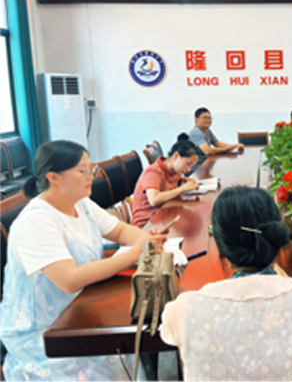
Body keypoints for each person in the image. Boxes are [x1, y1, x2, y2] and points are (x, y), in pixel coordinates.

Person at [0, 140, 167, 381]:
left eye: (91, 169)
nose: (91, 176)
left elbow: (120, 231)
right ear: (53, 177)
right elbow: (70, 280)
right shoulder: (37, 221)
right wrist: (133, 254)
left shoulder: (81, 203)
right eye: (82, 171)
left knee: (123, 346)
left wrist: (144, 240)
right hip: (45, 330)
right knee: (115, 354)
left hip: (82, 307)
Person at [160, 186, 292, 381]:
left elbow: (166, 330)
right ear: (275, 238)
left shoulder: (184, 309)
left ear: (221, 246)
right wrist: (286, 280)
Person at [131, 134, 202, 228]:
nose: (188, 169)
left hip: (163, 216)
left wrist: (182, 180)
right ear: (176, 156)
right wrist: (183, 188)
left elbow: (171, 182)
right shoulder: (153, 172)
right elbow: (154, 200)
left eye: (191, 166)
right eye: (188, 164)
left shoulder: (174, 170)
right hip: (146, 224)